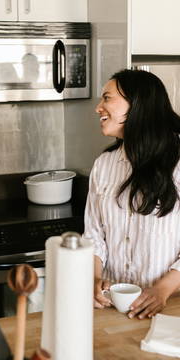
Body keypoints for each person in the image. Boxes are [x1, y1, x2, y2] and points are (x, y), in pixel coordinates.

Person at [83, 69, 180, 319]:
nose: (98, 108)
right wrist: (94, 278)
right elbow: (94, 234)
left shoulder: (177, 163)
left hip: (171, 307)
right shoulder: (103, 165)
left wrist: (162, 289)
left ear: (138, 104)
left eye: (107, 98)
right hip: (113, 308)